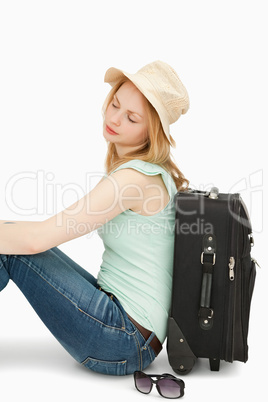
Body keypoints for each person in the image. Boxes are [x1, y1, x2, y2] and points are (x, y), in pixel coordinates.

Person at [0, 60, 189, 376]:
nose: (114, 118)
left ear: (151, 131)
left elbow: (37, 239)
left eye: (131, 117)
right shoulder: (148, 173)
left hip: (124, 339)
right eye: (115, 104)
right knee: (10, 235)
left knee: (14, 251)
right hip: (126, 330)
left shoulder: (133, 180)